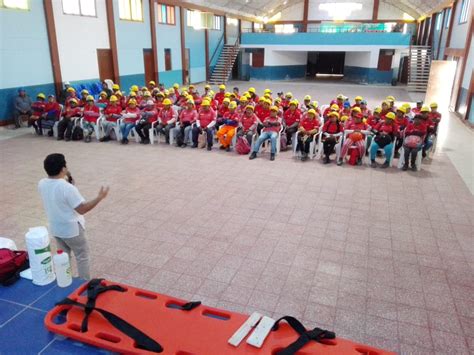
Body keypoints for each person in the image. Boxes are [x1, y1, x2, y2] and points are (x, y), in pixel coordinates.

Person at [38, 153, 109, 280]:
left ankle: (65, 280)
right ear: (63, 168)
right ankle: (83, 285)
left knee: (64, 257)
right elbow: (82, 209)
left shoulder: (42, 183)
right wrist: (99, 197)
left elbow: (62, 188)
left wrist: (67, 175)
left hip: (56, 228)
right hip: (72, 230)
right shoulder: (67, 188)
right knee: (82, 256)